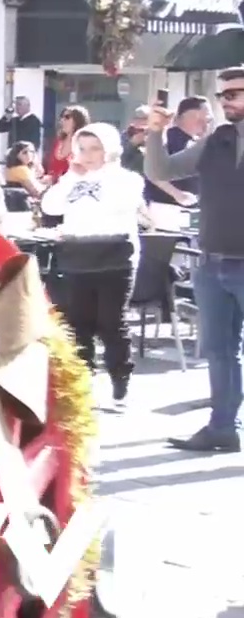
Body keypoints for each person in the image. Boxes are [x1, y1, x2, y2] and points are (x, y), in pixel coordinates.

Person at [144, 69, 244, 453]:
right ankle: (222, 427)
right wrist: (155, 132)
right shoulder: (216, 139)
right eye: (223, 95)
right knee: (219, 352)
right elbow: (161, 171)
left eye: (235, 93)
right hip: (212, 262)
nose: (226, 101)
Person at [41, 121, 147, 408]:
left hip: (114, 256)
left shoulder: (127, 178)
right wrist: (69, 179)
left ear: (109, 149)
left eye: (95, 148)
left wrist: (94, 179)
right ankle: (83, 382)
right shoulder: (72, 179)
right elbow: (50, 207)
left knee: (111, 322)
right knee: (78, 324)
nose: (87, 155)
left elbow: (115, 205)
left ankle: (120, 379)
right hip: (77, 256)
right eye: (82, 149)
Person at [45, 105, 89, 183]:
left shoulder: (84, 144)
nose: (62, 120)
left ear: (78, 120)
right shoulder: (57, 142)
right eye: (62, 117)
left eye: (67, 117)